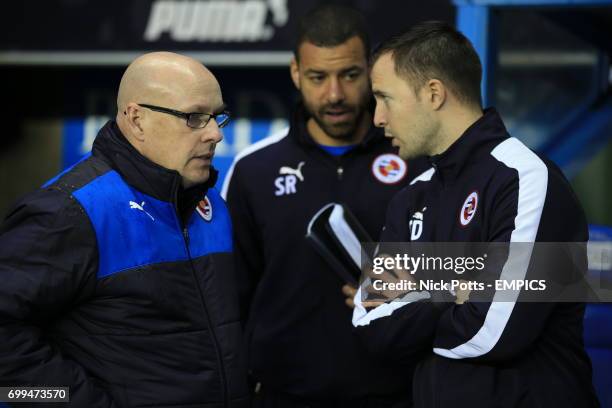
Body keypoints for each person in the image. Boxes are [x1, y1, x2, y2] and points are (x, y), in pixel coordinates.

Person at [352, 21, 600, 407]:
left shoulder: (526, 178)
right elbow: (370, 328)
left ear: (433, 93)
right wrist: (453, 290)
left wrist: (417, 292)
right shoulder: (410, 198)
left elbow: (494, 333)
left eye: (385, 98)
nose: (378, 118)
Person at [0, 52, 249, 407]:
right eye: (195, 117)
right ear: (136, 119)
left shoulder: (212, 206)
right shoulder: (71, 211)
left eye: (217, 117)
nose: (214, 134)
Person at [222, 5, 426, 407]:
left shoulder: (419, 162)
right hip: (283, 395)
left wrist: (417, 291)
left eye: (350, 75)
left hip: (400, 392)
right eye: (318, 77)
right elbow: (231, 297)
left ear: (371, 69)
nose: (334, 94)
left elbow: (461, 277)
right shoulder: (254, 170)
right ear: (296, 73)